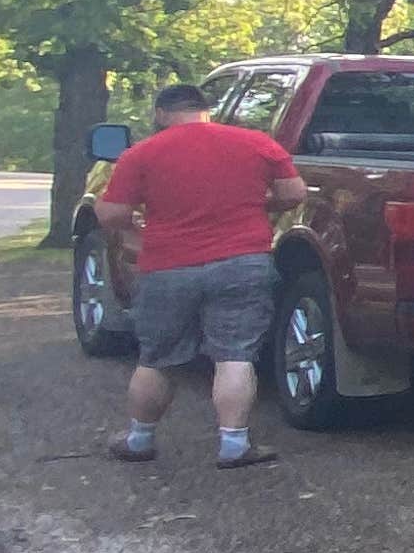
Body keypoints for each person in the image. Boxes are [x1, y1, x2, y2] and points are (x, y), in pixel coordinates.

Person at [95, 83, 307, 468]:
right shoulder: (256, 142)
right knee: (234, 355)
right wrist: (258, 204)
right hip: (242, 262)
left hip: (168, 266)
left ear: (161, 114)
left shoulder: (140, 153)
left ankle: (140, 440)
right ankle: (233, 445)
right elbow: (294, 193)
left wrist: (138, 231)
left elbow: (110, 214)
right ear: (206, 110)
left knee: (157, 357)